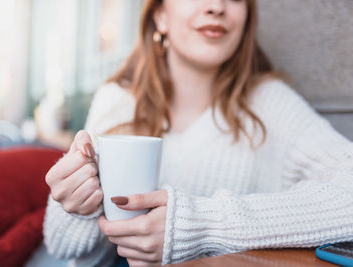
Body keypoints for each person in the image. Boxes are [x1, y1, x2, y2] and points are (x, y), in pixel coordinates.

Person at [43, 0, 353, 266]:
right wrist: (79, 206)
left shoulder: (269, 104)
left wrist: (201, 225)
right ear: (160, 15)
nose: (216, 7)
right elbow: (60, 247)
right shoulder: (118, 101)